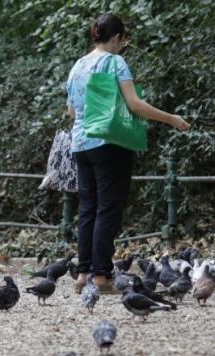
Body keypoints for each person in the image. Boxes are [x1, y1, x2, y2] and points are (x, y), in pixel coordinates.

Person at [65, 13, 190, 292]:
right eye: (124, 39)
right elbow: (134, 104)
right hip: (109, 143)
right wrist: (171, 118)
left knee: (88, 208)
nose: (124, 45)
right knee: (108, 208)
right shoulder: (114, 62)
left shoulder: (78, 65)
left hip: (80, 144)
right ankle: (100, 275)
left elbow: (72, 111)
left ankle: (82, 274)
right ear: (118, 37)